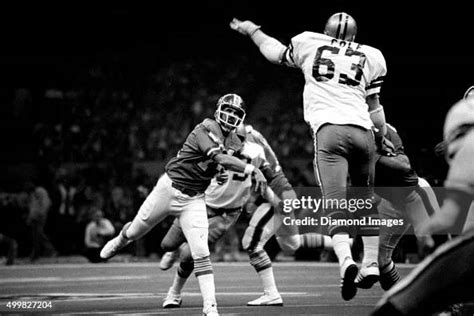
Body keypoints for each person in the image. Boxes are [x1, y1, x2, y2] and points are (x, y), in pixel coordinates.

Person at [230, 12, 388, 300]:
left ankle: (346, 263)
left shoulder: (309, 43)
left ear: (325, 31)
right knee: (365, 199)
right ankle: (372, 263)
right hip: (364, 133)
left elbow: (273, 52)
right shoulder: (372, 55)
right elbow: (376, 111)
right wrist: (381, 137)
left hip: (330, 132)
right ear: (354, 35)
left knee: (335, 202)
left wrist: (252, 30)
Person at [100, 93, 267, 316]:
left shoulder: (236, 142)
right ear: (218, 110)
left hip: (194, 198)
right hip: (169, 188)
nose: (230, 116)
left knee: (201, 253)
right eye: (227, 110)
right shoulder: (204, 128)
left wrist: (219, 174)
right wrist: (250, 169)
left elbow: (218, 165)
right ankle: (122, 238)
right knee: (137, 230)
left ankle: (210, 307)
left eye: (236, 113)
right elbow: (218, 157)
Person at [160, 124, 331, 307]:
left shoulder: (255, 153)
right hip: (201, 202)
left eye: (240, 140)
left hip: (226, 213)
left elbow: (270, 177)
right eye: (232, 139)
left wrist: (280, 200)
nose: (236, 144)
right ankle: (173, 250)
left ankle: (174, 293)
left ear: (246, 140)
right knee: (167, 244)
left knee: (191, 252)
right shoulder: (213, 149)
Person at [372, 87, 474, 315]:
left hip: (413, 194)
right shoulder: (352, 134)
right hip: (388, 200)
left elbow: (404, 165)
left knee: (437, 252)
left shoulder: (386, 131)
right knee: (382, 262)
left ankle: (451, 304)